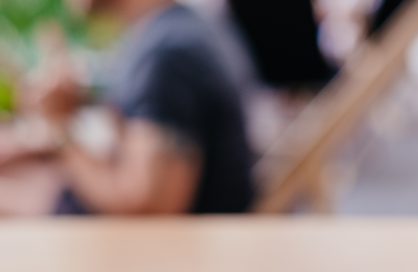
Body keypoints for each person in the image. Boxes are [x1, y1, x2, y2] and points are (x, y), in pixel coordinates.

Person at [25, 0, 254, 214]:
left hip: (167, 252)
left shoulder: (166, 54)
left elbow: (146, 206)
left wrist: (60, 127)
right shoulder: (172, 31)